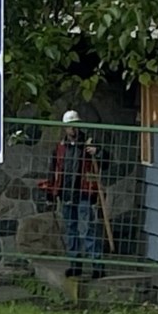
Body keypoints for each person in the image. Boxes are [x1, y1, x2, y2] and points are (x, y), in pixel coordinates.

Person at [44, 110, 110, 279]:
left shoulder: (89, 144)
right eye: (68, 126)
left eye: (74, 125)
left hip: (84, 193)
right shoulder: (59, 148)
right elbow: (53, 170)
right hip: (66, 194)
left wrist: (98, 153)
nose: (72, 129)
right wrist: (51, 192)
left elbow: (107, 162)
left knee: (87, 228)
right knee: (71, 230)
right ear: (64, 128)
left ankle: (97, 266)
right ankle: (75, 264)